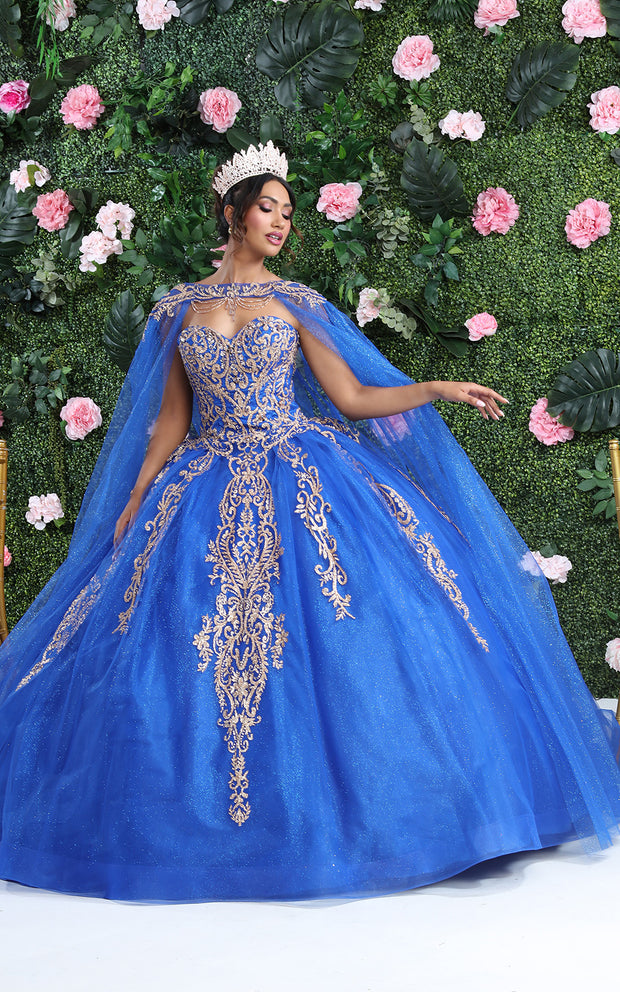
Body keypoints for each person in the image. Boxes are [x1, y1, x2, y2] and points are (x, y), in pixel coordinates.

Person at [0, 142, 618, 902]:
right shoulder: (178, 309)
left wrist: (434, 387)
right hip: (202, 479)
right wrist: (137, 492)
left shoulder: (297, 303)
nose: (282, 224)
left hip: (302, 472)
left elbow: (352, 399)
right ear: (233, 214)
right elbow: (172, 419)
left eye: (289, 214)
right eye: (269, 209)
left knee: (345, 626)